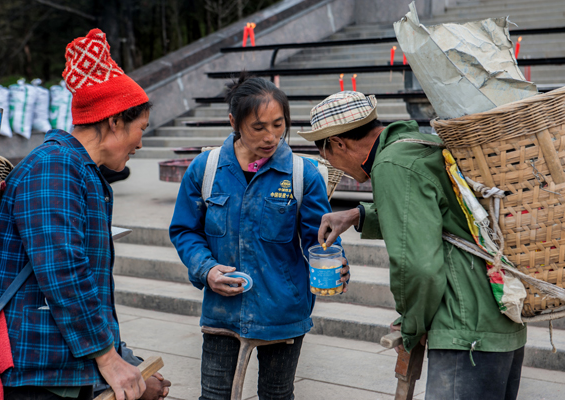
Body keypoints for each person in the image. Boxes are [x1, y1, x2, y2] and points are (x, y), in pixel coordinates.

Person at [297, 91, 527, 400]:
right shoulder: (419, 145)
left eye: (329, 157)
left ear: (339, 143)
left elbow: (418, 268)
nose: (337, 167)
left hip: (464, 329)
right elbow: (434, 213)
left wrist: (412, 327)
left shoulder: (391, 164)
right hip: (497, 316)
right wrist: (357, 214)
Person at [0, 28, 168, 400]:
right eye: (141, 129)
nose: (140, 142)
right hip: (38, 373)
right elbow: (63, 270)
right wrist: (109, 359)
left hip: (61, 365)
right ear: (114, 122)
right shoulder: (54, 167)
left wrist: (122, 359)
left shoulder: (76, 168)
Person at [169, 74, 349, 400]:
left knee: (277, 395)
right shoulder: (205, 169)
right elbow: (184, 230)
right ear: (234, 122)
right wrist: (206, 268)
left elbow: (319, 238)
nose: (271, 137)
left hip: (283, 312)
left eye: (278, 125)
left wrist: (335, 259)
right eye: (259, 127)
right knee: (213, 396)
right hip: (222, 310)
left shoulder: (302, 174)